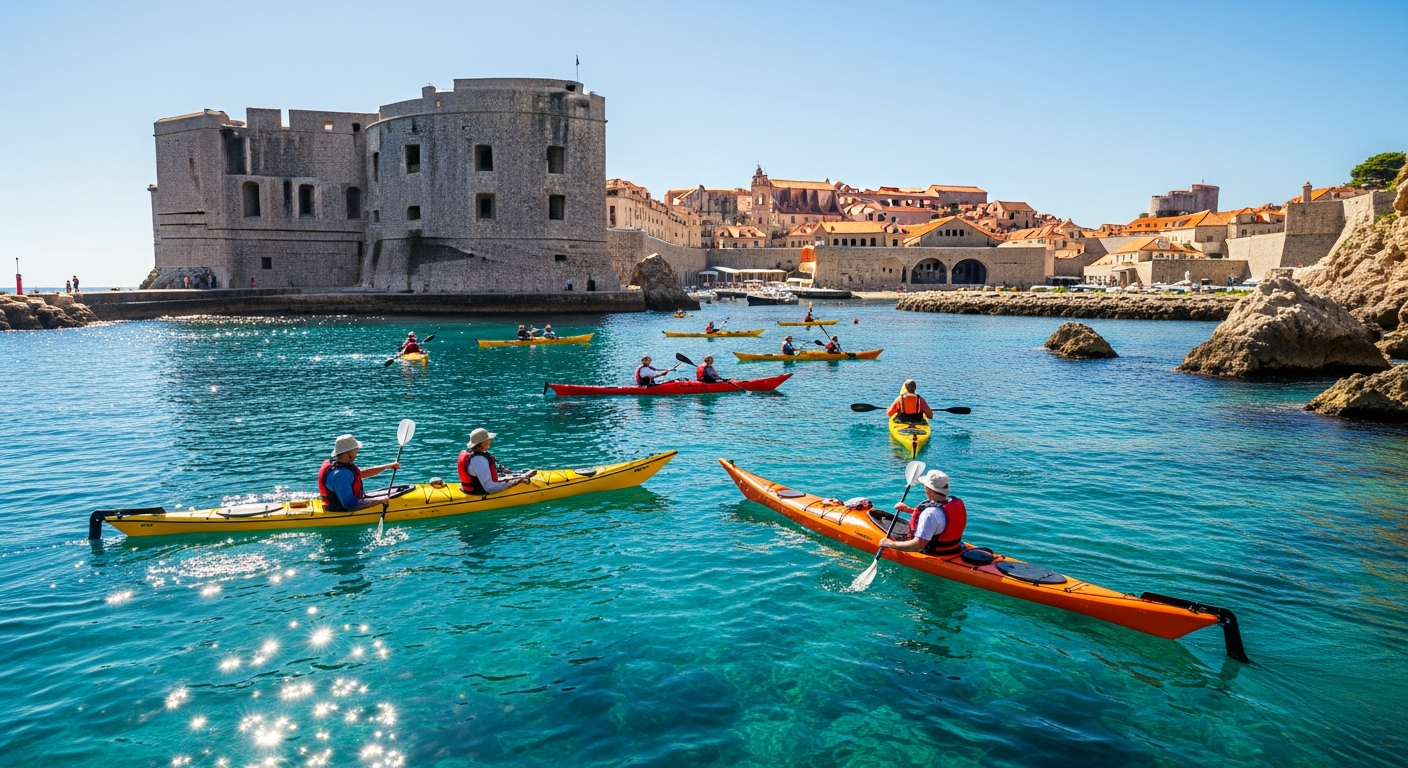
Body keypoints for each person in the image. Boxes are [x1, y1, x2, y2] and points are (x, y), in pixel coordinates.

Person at [879, 469, 967, 556]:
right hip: (955, 548)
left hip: (934, 552)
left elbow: (917, 546)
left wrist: (890, 544)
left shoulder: (930, 513)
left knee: (885, 529)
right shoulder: (954, 502)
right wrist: (909, 510)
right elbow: (942, 520)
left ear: (928, 489)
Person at [317, 434, 401, 512]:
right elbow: (350, 504)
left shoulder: (338, 464)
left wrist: (387, 466)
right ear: (348, 452)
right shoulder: (340, 474)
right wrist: (382, 500)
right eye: (355, 449)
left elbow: (360, 474)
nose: (357, 451)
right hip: (340, 510)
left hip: (336, 504)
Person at [458, 428, 535, 495]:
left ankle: (518, 475)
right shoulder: (479, 460)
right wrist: (516, 481)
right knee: (517, 479)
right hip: (478, 491)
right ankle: (520, 477)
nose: (490, 440)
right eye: (488, 439)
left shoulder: (471, 453)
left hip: (470, 487)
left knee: (508, 475)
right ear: (483, 443)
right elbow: (490, 487)